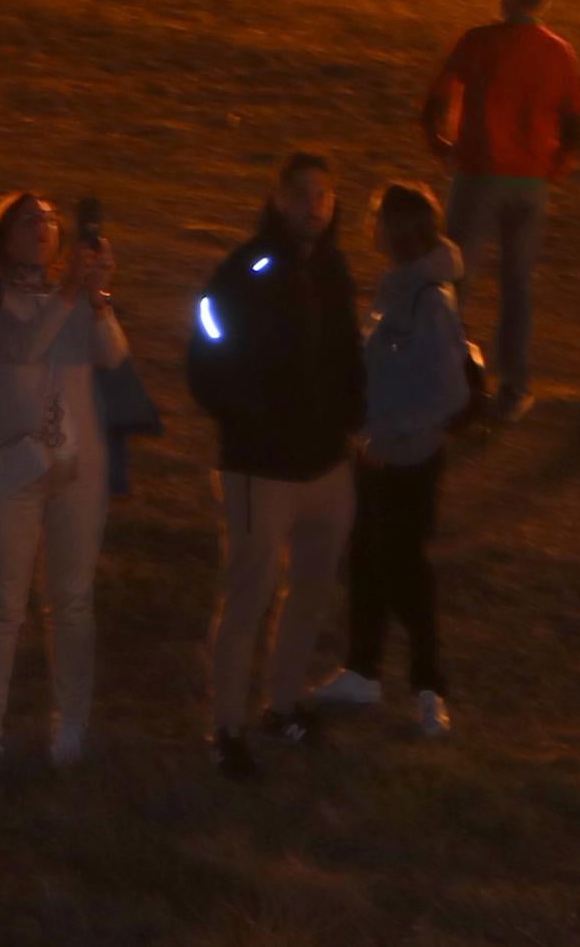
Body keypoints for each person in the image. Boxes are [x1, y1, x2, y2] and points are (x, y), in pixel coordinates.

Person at [0, 191, 160, 784]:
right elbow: (24, 349)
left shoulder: (76, 297)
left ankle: (71, 727)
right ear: (0, 236)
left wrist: (100, 297)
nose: (44, 228)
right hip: (9, 467)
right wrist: (73, 293)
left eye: (51, 222)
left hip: (80, 468)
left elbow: (113, 357)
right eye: (30, 220)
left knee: (73, 602)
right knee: (2, 603)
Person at [183, 152, 365, 780]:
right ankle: (225, 727)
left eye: (326, 193)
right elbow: (207, 354)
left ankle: (281, 706)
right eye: (304, 193)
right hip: (261, 468)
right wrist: (251, 424)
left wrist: (351, 422)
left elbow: (347, 359)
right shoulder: (246, 270)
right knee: (247, 598)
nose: (315, 204)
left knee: (311, 591)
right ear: (280, 199)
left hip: (326, 467)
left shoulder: (336, 270)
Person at [311, 181, 470, 736]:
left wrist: (389, 436)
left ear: (397, 231)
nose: (369, 228)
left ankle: (429, 686)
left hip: (408, 460)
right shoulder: (399, 286)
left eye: (377, 219)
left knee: (405, 571)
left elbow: (449, 394)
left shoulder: (429, 300)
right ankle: (362, 669)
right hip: (377, 453)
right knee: (366, 561)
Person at [421, 0, 580, 417]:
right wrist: (554, 169)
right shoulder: (560, 53)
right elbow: (575, 124)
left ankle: (443, 379)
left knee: (456, 283)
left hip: (478, 177)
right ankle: (514, 387)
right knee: (518, 286)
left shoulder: (479, 42)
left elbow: (436, 99)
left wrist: (441, 147)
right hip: (530, 185)